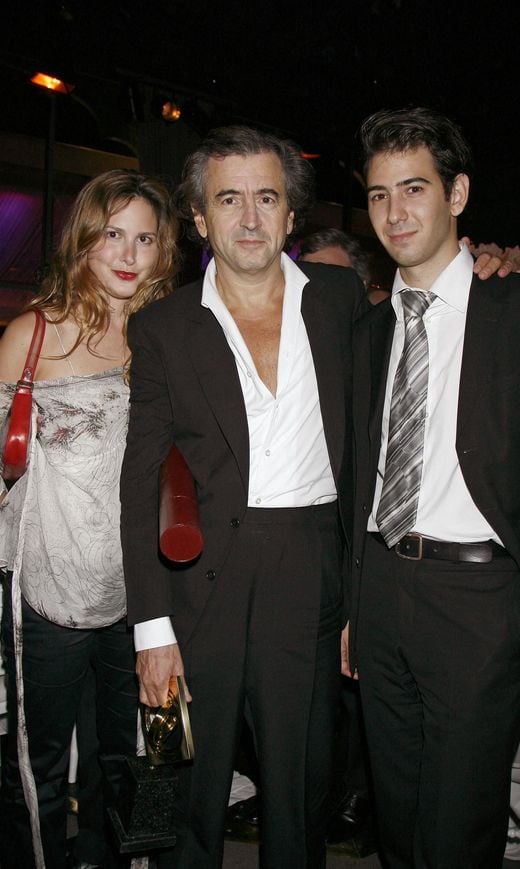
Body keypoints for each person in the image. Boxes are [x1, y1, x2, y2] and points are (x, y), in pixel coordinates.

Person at [119, 125, 365, 868]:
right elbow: (140, 479)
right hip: (200, 586)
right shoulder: (162, 327)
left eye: (267, 197)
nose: (250, 218)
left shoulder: (344, 299)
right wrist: (151, 630)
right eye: (230, 199)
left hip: (311, 570)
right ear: (200, 218)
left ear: (292, 214)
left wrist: (485, 273)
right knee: (184, 784)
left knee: (299, 793)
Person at [344, 106, 520, 868]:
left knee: (458, 835)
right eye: (379, 194)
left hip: (483, 603)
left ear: (459, 194)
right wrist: (355, 603)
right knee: (400, 830)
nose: (395, 211)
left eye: (414, 188)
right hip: (381, 592)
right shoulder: (369, 330)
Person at [0, 169, 179, 869]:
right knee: (36, 768)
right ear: (83, 240)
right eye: (113, 235)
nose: (129, 254)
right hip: (48, 594)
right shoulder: (31, 337)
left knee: (136, 758)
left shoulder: (168, 339)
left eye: (145, 238)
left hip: (146, 601)